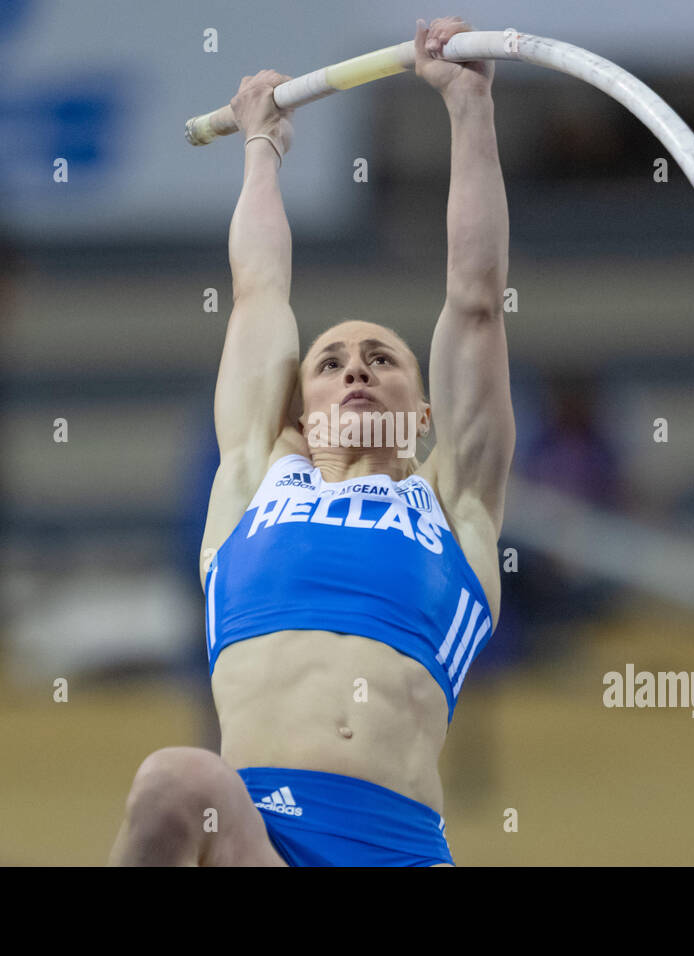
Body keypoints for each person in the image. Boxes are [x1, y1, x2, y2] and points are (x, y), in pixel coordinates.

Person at [110, 16, 513, 866]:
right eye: (330, 362)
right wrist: (263, 147)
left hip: (393, 849)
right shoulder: (254, 480)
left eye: (382, 359)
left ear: (425, 411)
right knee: (177, 783)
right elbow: (258, 292)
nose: (356, 370)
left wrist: (469, 109)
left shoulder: (456, 505)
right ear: (299, 406)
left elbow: (474, 298)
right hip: (259, 843)